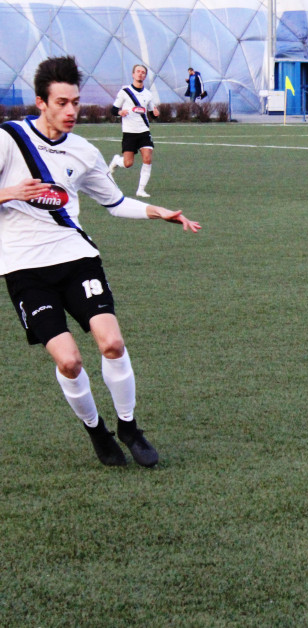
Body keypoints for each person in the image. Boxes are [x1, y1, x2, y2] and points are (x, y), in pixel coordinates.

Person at [0, 56, 201, 468]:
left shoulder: (84, 151)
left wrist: (158, 212)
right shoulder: (8, 139)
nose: (71, 111)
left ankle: (129, 427)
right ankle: (97, 431)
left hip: (76, 257)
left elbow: (115, 202)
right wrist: (11, 193)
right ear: (41, 102)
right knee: (69, 360)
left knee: (112, 343)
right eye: (61, 103)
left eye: (75, 102)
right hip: (24, 268)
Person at [107, 64, 159, 198]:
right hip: (129, 132)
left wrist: (155, 114)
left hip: (144, 131)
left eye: (143, 72)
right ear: (133, 74)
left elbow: (152, 113)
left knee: (147, 158)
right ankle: (116, 161)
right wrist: (120, 112)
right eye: (138, 71)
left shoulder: (148, 94)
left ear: (145, 76)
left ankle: (141, 190)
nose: (140, 74)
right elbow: (113, 110)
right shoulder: (125, 91)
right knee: (128, 163)